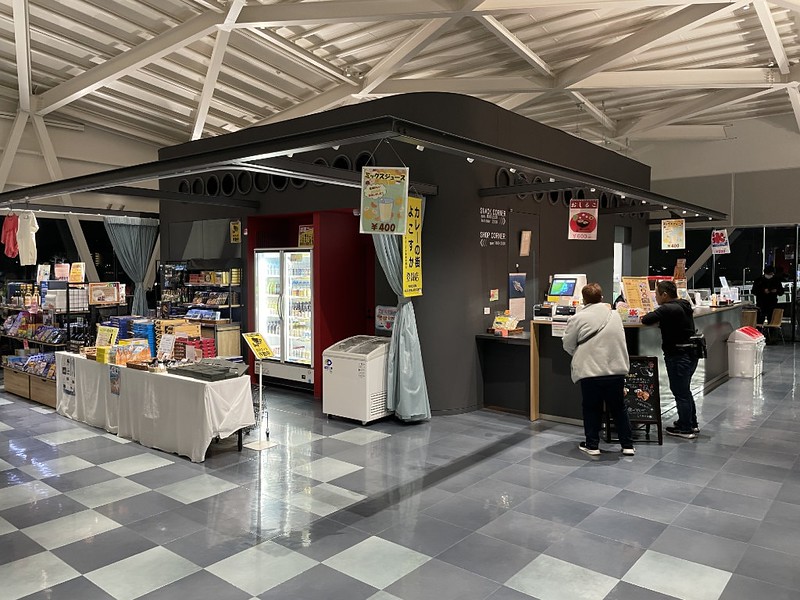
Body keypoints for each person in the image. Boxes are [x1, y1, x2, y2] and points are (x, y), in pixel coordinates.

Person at [563, 283, 634, 456]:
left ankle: (592, 445)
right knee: (619, 407)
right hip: (615, 369)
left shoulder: (578, 318)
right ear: (601, 297)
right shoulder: (615, 315)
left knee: (591, 407)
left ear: (584, 299)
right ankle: (627, 445)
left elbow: (567, 343)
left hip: (591, 370)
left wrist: (578, 352)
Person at [641, 280, 698, 439]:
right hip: (690, 352)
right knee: (684, 390)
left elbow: (646, 319)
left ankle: (686, 428)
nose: (656, 297)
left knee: (680, 392)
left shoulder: (667, 308)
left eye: (657, 294)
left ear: (665, 294)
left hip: (678, 355)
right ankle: (690, 423)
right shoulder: (684, 304)